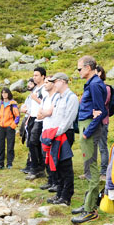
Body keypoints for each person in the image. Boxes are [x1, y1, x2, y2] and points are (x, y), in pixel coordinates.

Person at [72, 55, 107, 223]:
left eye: (79, 69)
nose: (78, 72)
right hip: (86, 126)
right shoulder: (92, 84)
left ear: (88, 68)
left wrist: (88, 132)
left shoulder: (95, 85)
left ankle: (90, 210)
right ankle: (88, 202)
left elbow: (101, 112)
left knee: (92, 169)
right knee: (88, 167)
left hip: (89, 129)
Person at [39, 73, 78, 207]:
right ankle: (59, 193)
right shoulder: (58, 98)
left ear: (62, 81)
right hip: (55, 134)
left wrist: (55, 133)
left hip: (64, 134)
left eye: (55, 82)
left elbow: (68, 119)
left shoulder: (71, 98)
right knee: (57, 165)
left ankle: (66, 196)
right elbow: (54, 116)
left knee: (65, 166)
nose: (54, 84)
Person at [37, 76, 60, 193]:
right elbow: (39, 113)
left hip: (53, 130)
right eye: (44, 82)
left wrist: (45, 113)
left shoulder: (56, 97)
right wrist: (45, 113)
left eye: (47, 82)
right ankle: (50, 180)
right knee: (45, 156)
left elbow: (50, 112)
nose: (45, 84)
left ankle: (56, 181)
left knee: (53, 157)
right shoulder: (45, 97)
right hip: (45, 129)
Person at [25, 67, 48, 180]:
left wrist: (35, 99)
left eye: (36, 75)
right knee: (33, 143)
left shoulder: (44, 88)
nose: (34, 77)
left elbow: (45, 103)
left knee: (33, 142)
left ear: (43, 76)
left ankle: (36, 168)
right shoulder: (35, 88)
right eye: (33, 75)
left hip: (41, 119)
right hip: (32, 117)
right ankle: (38, 168)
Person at [0, 87, 20, 169]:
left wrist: (12, 126)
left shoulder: (13, 104)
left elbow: (17, 116)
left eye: (5, 93)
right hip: (1, 127)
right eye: (3, 93)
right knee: (1, 145)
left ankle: (9, 163)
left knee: (10, 146)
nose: (4, 94)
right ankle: (0, 163)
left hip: (10, 128)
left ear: (8, 93)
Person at [94, 66, 111, 178]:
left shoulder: (106, 88)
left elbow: (102, 103)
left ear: (99, 73)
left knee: (102, 146)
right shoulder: (93, 86)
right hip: (93, 121)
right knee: (92, 146)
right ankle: (92, 171)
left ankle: (104, 171)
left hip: (102, 121)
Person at [20, 78, 37, 175]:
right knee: (28, 141)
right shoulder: (28, 96)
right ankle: (29, 164)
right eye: (28, 83)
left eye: (31, 83)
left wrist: (26, 110)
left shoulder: (36, 94)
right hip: (27, 119)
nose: (29, 85)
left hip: (33, 118)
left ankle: (32, 165)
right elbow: (23, 107)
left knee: (32, 142)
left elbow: (30, 109)